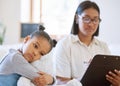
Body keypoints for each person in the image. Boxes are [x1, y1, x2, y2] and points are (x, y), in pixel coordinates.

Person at [54, 0, 120, 86]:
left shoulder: (103, 46)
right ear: (77, 18)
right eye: (86, 19)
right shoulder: (65, 45)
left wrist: (116, 82)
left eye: (95, 20)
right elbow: (60, 82)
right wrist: (86, 75)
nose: (91, 24)